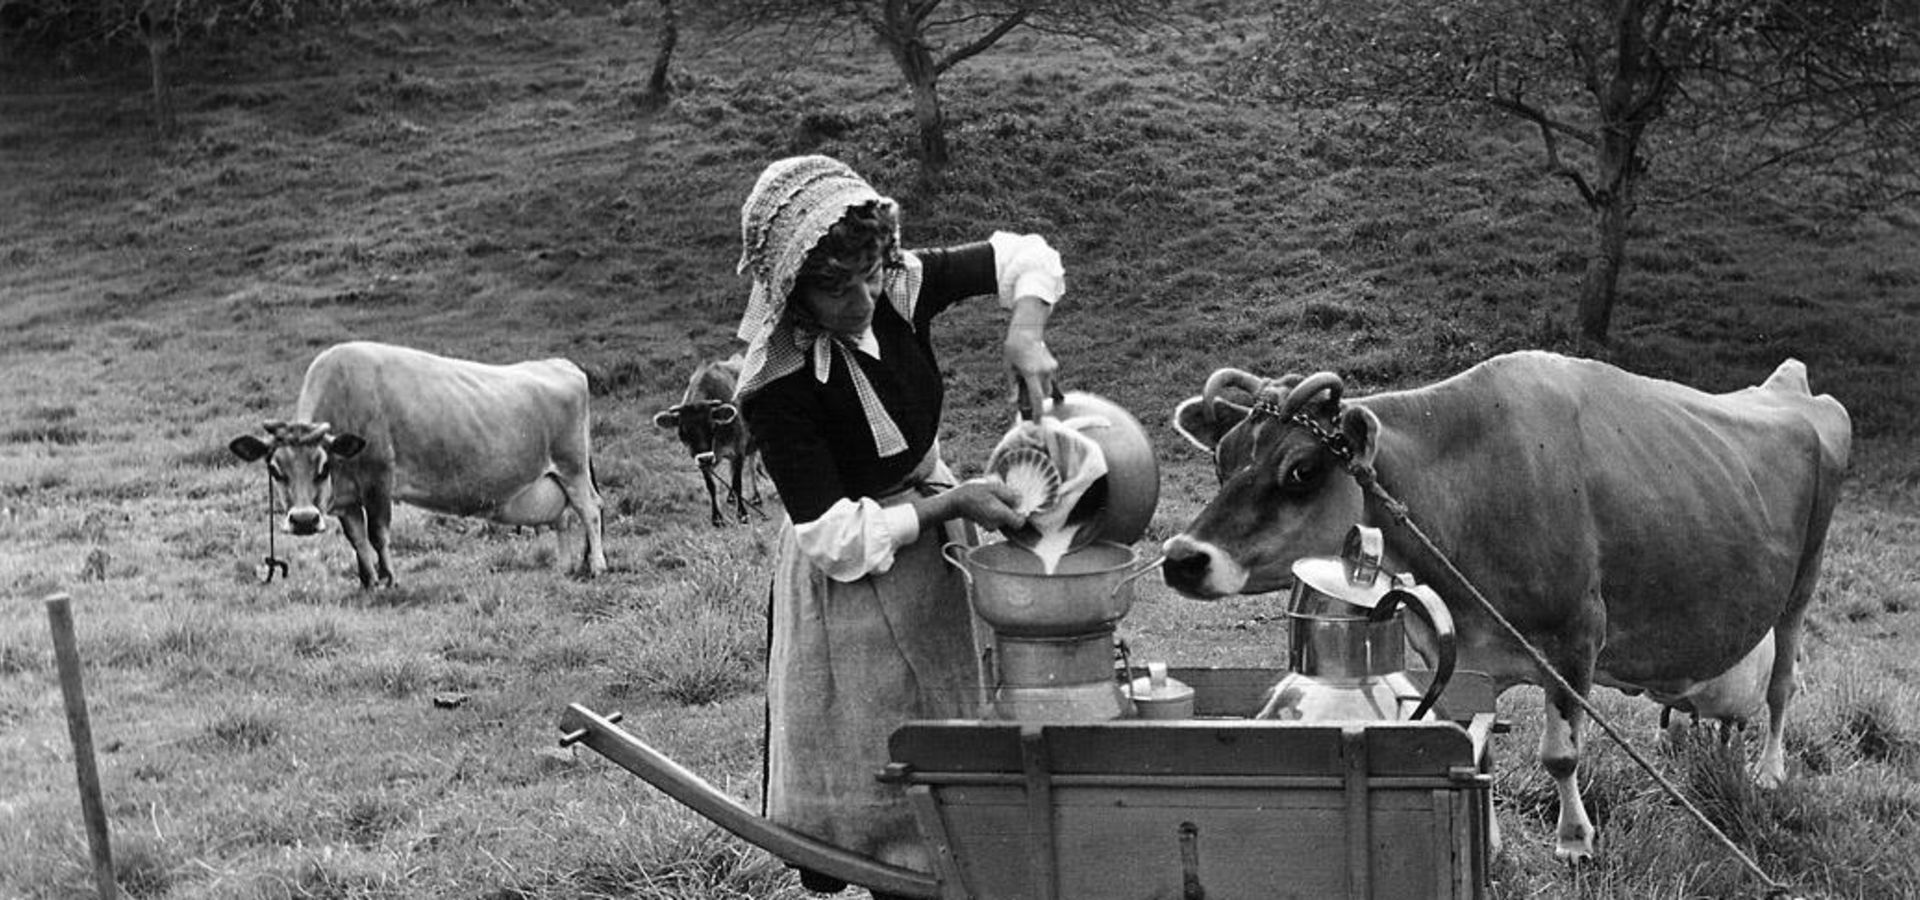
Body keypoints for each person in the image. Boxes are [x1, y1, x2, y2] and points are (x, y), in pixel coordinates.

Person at [732, 154, 1064, 894]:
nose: (859, 299)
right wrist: (950, 504)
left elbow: (1027, 256)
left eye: (869, 273)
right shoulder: (777, 386)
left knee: (949, 735)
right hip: (853, 581)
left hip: (933, 550)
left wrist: (1025, 334)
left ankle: (958, 857)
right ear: (788, 288)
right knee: (878, 773)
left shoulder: (900, 287)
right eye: (833, 286)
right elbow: (830, 539)